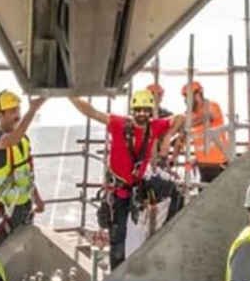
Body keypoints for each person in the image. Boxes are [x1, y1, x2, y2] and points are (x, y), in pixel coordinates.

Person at [73, 88, 184, 270]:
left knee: (175, 194)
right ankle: (117, 271)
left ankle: (160, 242)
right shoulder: (118, 124)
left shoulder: (154, 126)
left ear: (150, 112)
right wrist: (71, 95)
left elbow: (181, 117)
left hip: (137, 186)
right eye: (138, 110)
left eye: (145, 110)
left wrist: (168, 137)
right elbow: (91, 112)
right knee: (119, 238)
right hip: (120, 191)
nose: (141, 114)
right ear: (132, 111)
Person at [0, 89, 44, 231]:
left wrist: (37, 198)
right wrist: (33, 109)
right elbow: (12, 140)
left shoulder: (23, 139)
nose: (17, 115)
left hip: (23, 207)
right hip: (3, 210)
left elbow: (26, 173)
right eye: (11, 111)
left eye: (18, 110)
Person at [185, 81, 232, 183]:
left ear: (198, 94)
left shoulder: (212, 106)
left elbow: (207, 117)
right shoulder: (190, 114)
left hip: (218, 163)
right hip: (203, 165)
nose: (187, 100)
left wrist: (187, 123)